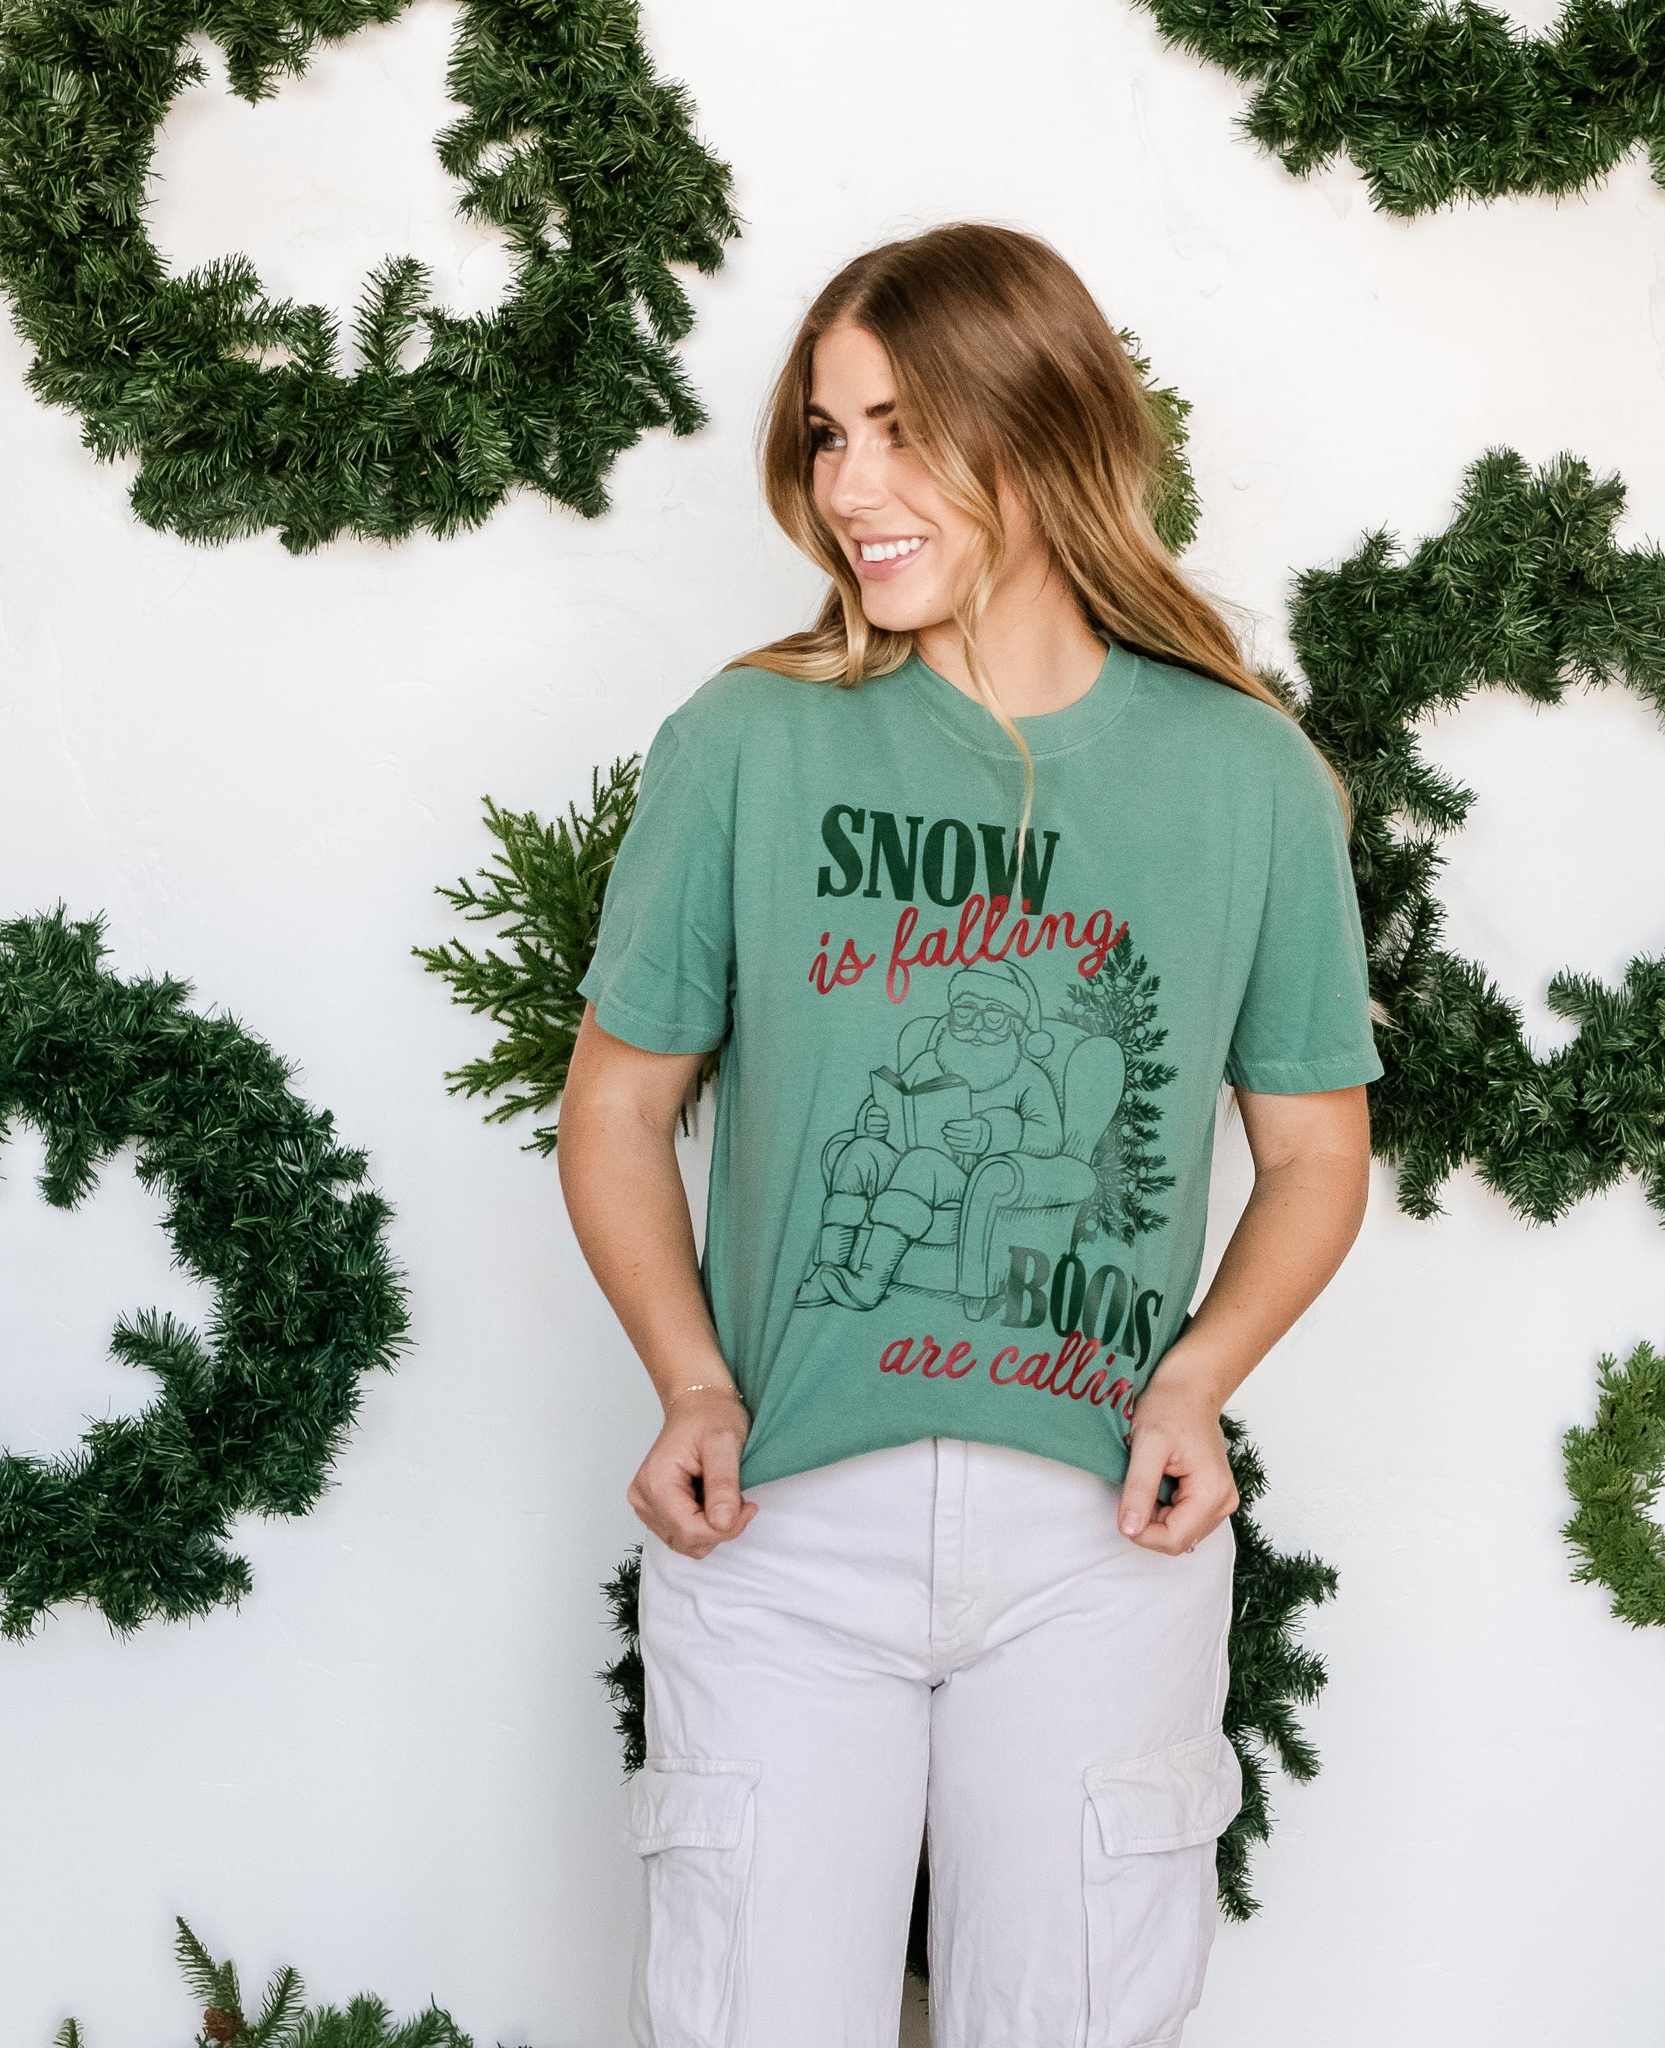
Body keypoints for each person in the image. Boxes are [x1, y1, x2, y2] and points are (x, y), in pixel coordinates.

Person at [556, 222, 1380, 2048]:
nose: (850, 488)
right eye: (827, 435)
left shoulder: (1242, 776)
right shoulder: (750, 743)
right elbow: (616, 1104)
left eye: (901, 431)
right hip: (783, 1524)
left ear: (1041, 427)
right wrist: (691, 1383)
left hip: (1100, 1535)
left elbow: (1318, 1156)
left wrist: (1195, 1383)